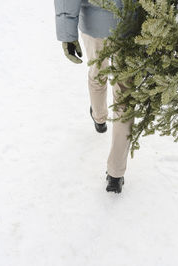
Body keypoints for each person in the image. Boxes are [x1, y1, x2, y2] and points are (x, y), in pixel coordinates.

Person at [54, 0, 133, 193]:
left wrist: (67, 35)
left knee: (98, 73)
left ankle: (99, 117)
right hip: (130, 24)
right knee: (125, 96)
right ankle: (116, 173)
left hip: (95, 23)